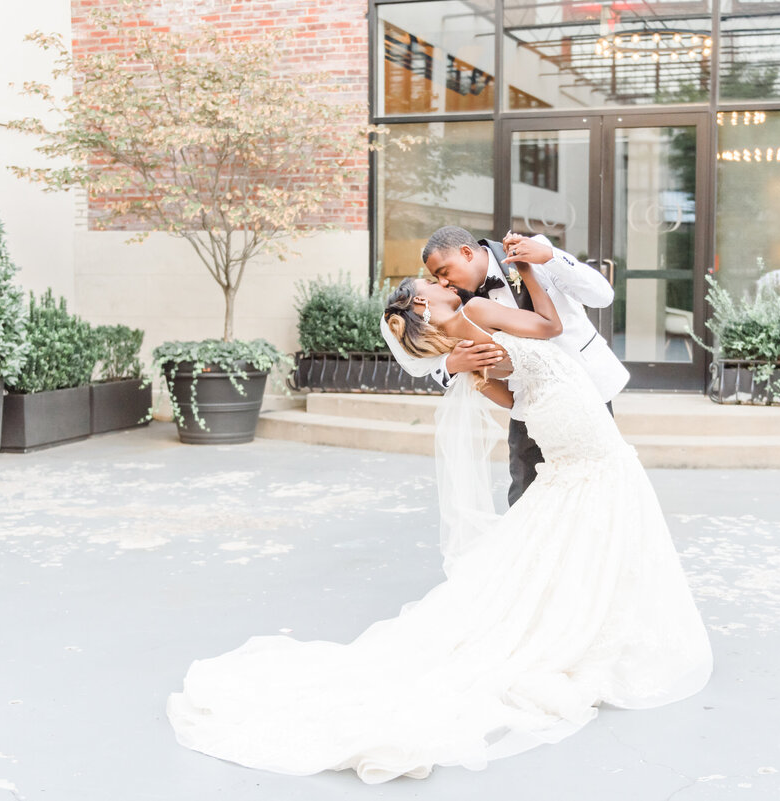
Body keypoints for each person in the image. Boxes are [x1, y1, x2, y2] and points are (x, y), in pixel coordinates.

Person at [167, 251, 714, 784]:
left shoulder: (459, 336)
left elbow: (505, 395)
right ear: (422, 308)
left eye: (435, 273)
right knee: (599, 494)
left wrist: (514, 380)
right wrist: (529, 268)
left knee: (571, 511)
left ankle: (581, 607)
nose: (435, 281)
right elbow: (547, 327)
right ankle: (590, 615)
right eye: (428, 284)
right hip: (569, 413)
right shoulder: (473, 315)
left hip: (555, 411)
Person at [380, 226, 629, 505]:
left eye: (444, 272)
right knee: (526, 493)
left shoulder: (533, 251)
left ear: (465, 253)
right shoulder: (458, 306)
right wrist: (452, 365)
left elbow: (602, 297)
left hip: (587, 385)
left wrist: (548, 256)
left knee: (595, 487)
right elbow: (430, 354)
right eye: (435, 279)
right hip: (529, 405)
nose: (443, 283)